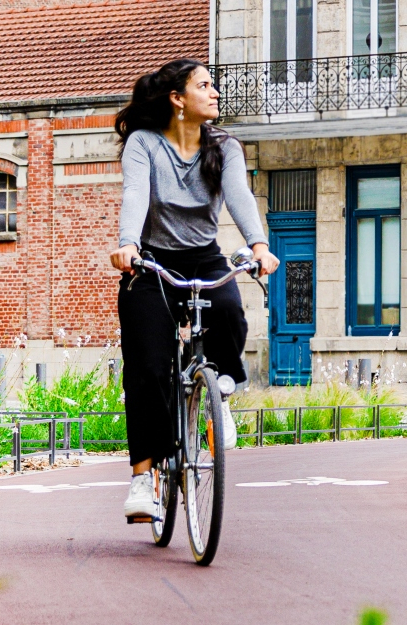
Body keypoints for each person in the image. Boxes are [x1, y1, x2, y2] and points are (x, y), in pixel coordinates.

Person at [109, 59, 279, 521]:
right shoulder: (145, 144)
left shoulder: (225, 146)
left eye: (214, 85)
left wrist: (258, 245)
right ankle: (143, 479)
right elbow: (135, 194)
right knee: (146, 367)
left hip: (203, 254)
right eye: (204, 85)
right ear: (177, 99)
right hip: (150, 260)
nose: (215, 92)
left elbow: (239, 195)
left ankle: (219, 393)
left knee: (227, 308)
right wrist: (127, 243)